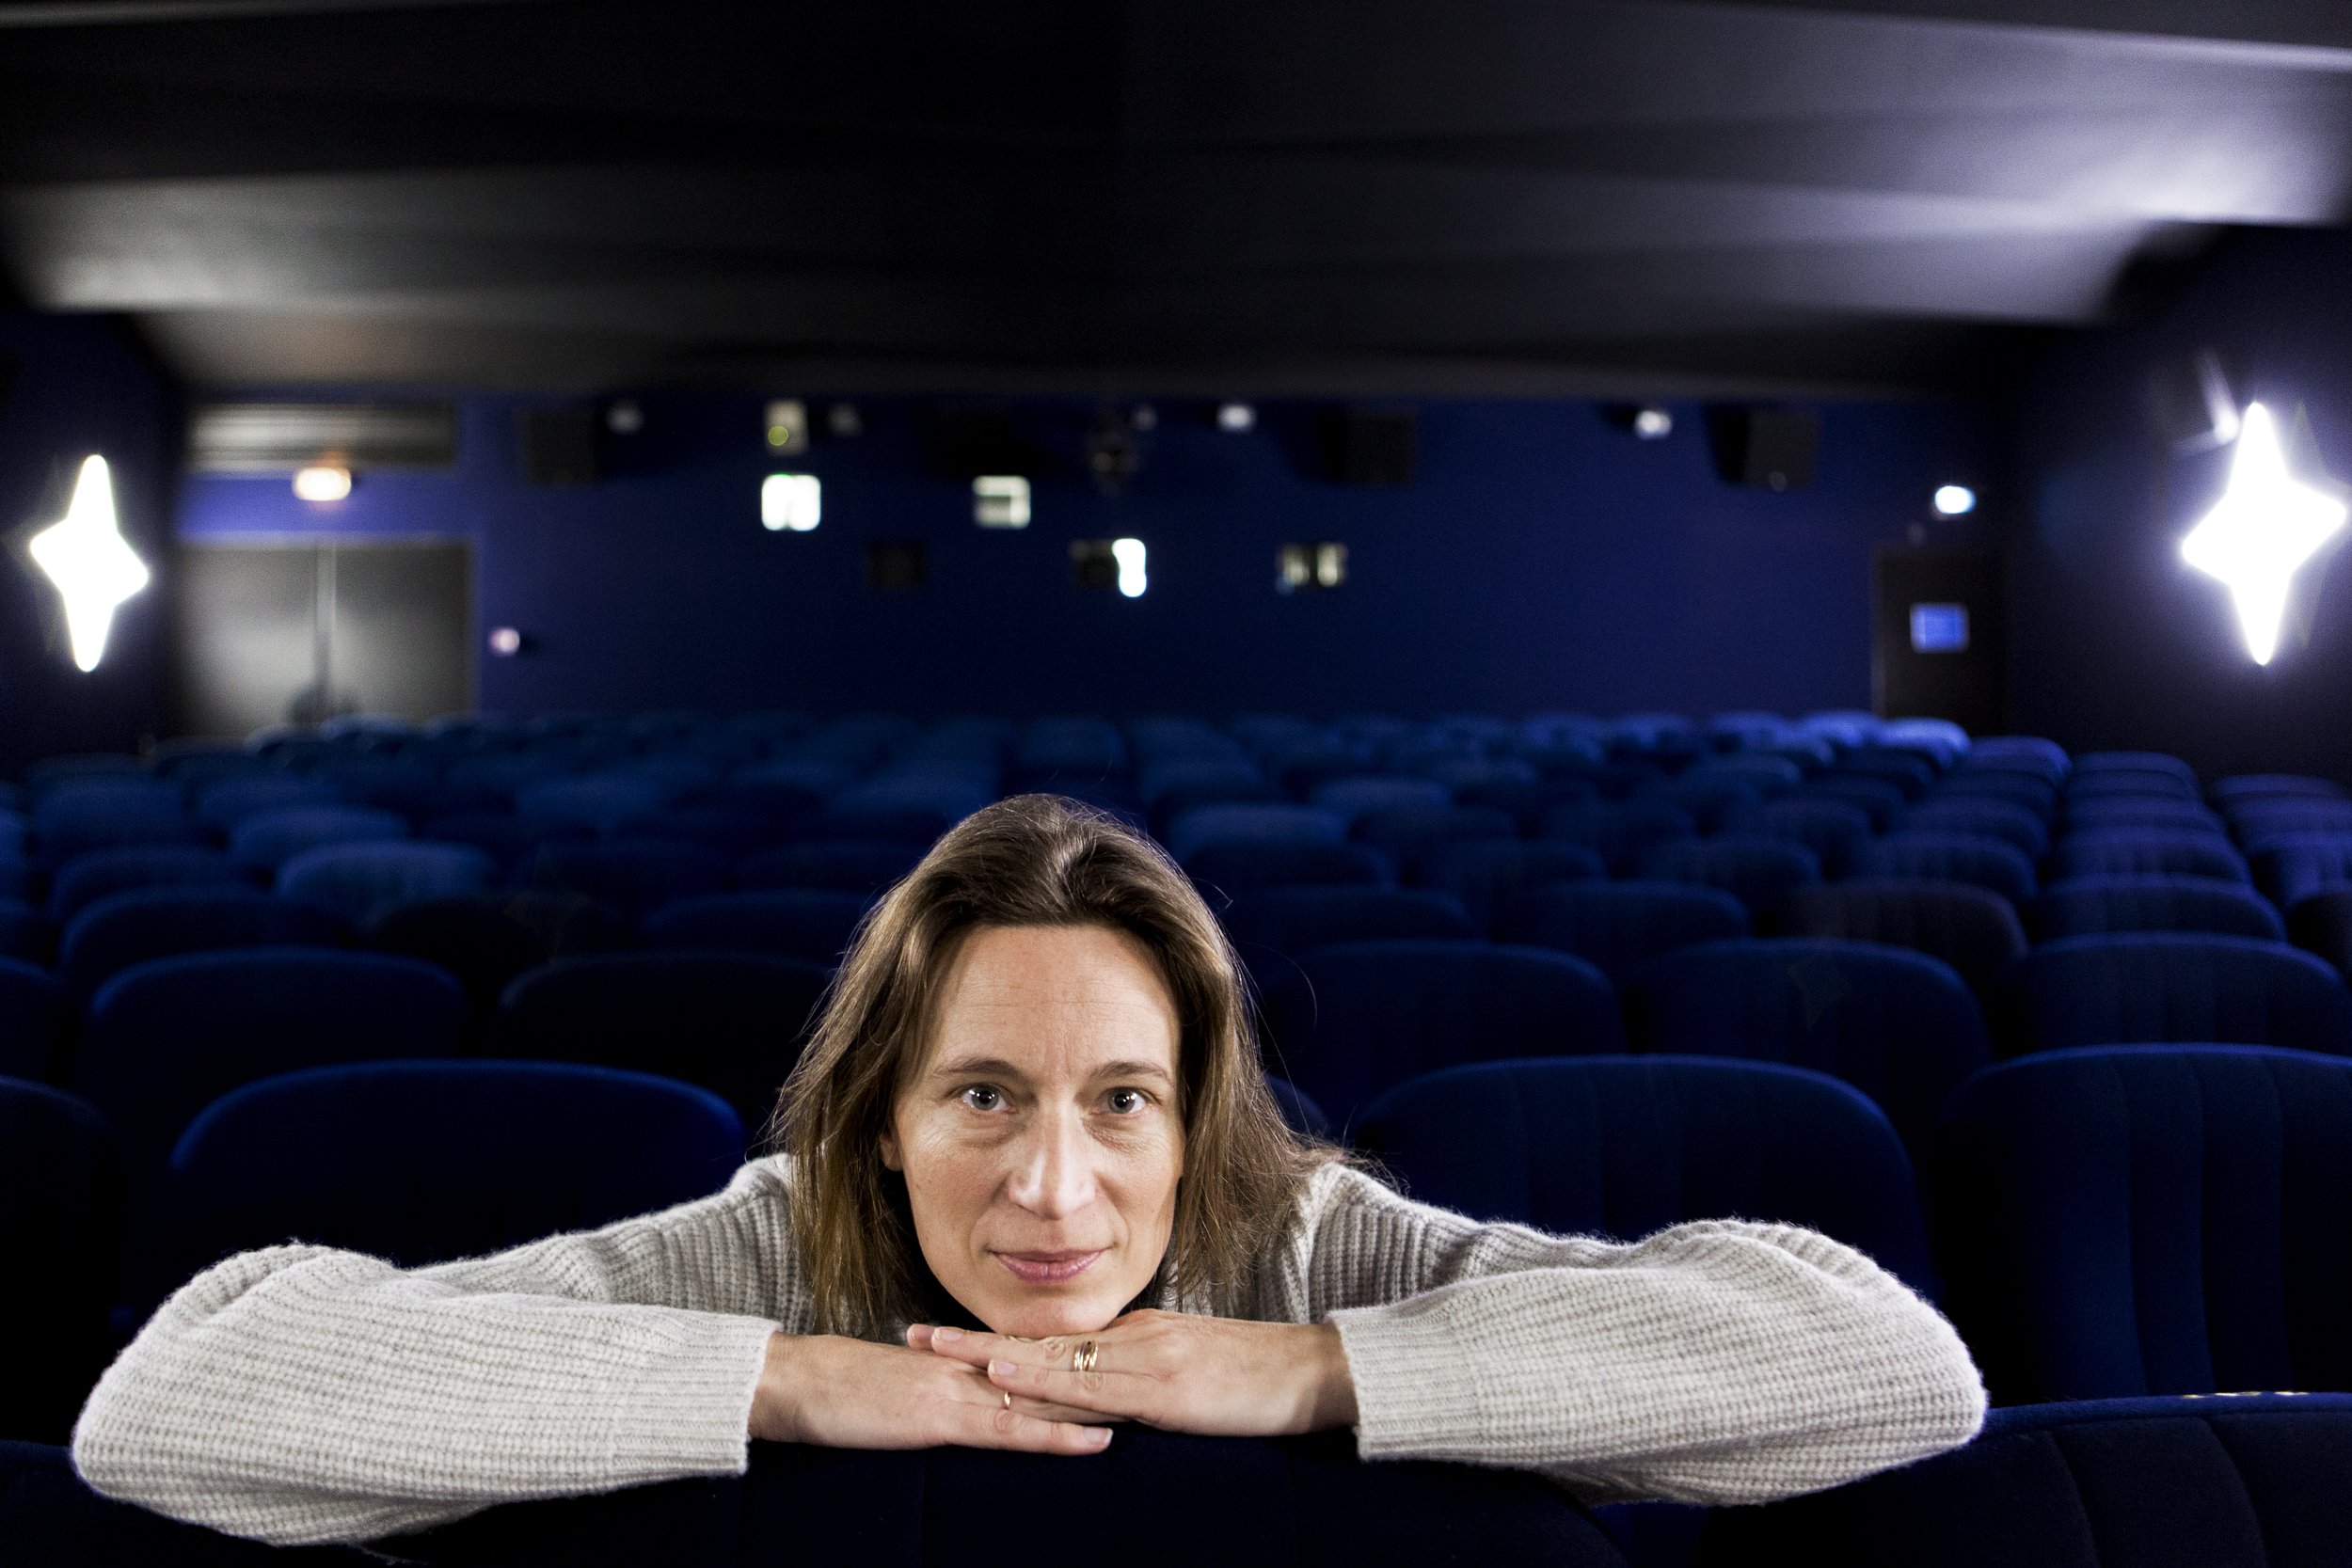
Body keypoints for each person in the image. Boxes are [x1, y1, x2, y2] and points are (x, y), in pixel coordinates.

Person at [72, 794, 1986, 1547]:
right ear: (873, 1119)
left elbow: (1889, 1365)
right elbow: (170, 1404)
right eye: (981, 1098)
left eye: (1122, 1105)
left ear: (1196, 1121)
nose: (1055, 1196)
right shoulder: (768, 1237)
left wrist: (1322, 1369)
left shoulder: (1300, 1232)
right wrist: (783, 1376)